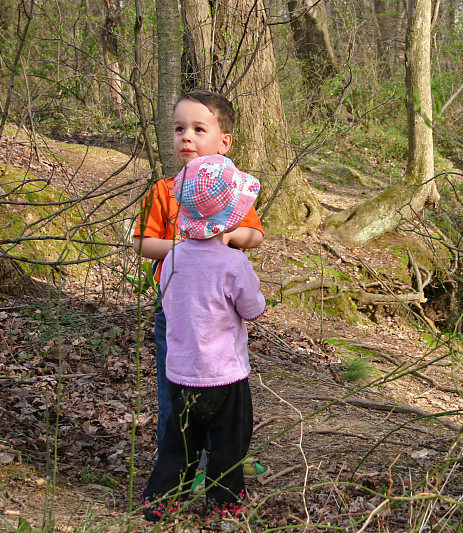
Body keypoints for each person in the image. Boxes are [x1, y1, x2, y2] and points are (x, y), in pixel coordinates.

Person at [131, 90, 264, 450]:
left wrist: (223, 233)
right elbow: (142, 242)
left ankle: (218, 458)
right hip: (174, 305)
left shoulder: (233, 193)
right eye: (179, 128)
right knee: (173, 384)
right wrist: (187, 250)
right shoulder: (165, 190)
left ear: (224, 141)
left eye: (198, 129)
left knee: (223, 383)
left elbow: (254, 235)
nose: (186, 136)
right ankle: (173, 465)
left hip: (219, 306)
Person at [140, 154, 266, 521]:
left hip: (180, 373)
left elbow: (168, 300)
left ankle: (159, 503)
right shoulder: (233, 263)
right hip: (225, 376)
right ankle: (222, 509)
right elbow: (252, 309)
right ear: (230, 217)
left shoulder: (174, 257)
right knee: (228, 444)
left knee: (179, 444)